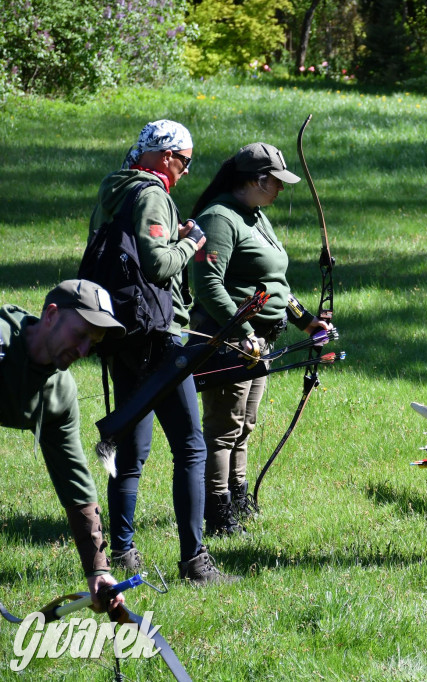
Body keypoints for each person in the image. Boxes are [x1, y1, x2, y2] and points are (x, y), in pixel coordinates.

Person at [87, 119, 236, 585]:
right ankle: (195, 562)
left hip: (119, 332)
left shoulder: (114, 190)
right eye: (184, 160)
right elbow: (155, 265)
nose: (187, 171)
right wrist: (190, 242)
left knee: (131, 452)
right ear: (165, 155)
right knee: (191, 447)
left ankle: (123, 553)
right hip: (160, 333)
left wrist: (175, 236)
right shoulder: (152, 193)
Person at [190, 142, 332, 535]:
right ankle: (218, 515)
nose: (281, 189)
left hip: (259, 341)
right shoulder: (219, 217)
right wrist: (243, 332)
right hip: (230, 342)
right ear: (256, 179)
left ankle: (238, 498)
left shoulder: (255, 215)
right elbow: (205, 282)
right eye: (277, 182)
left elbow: (275, 285)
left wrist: (306, 322)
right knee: (223, 428)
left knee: (245, 424)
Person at [0, 280, 128, 610]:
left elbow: (75, 479)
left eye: (94, 343)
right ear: (51, 315)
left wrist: (98, 569)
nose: (85, 351)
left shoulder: (60, 394)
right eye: (82, 334)